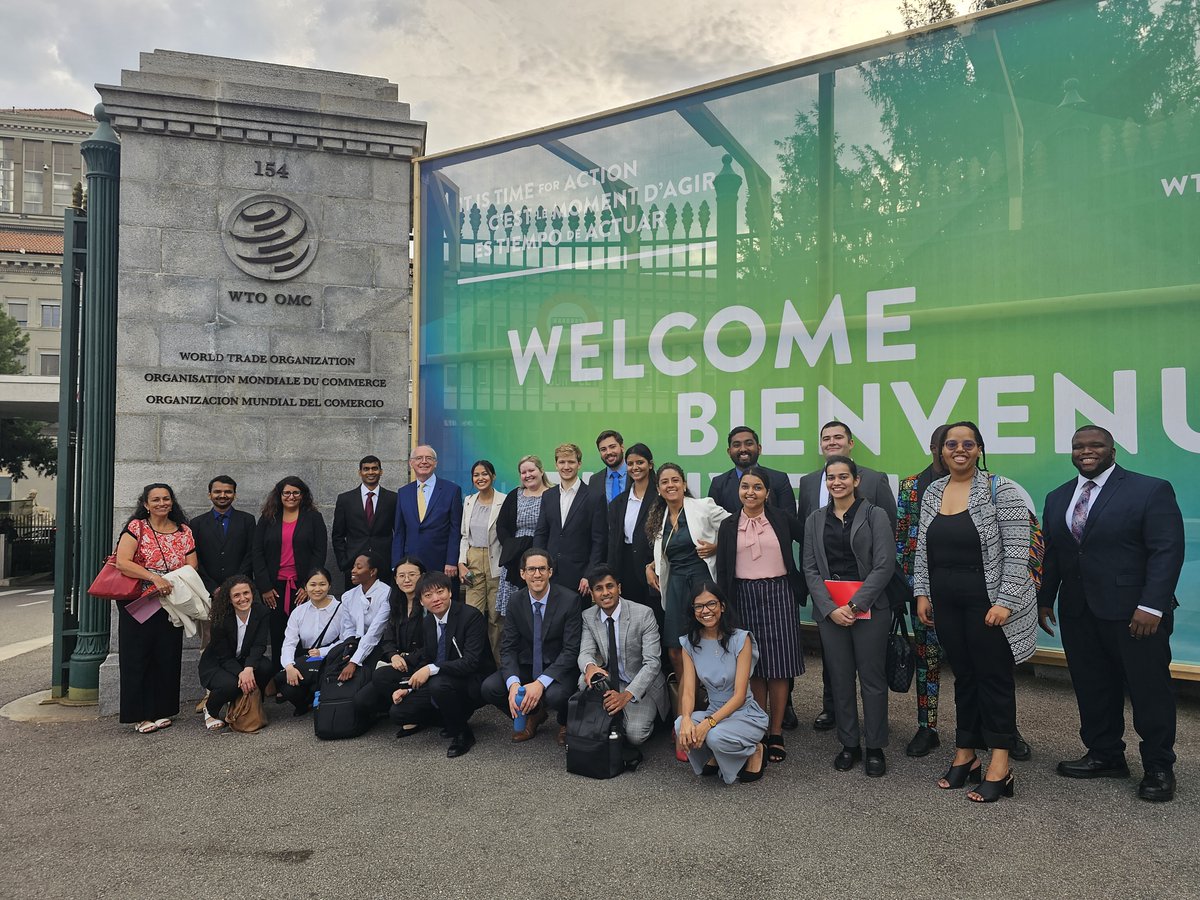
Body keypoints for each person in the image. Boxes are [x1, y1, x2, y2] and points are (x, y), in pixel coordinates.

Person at [1038, 425, 1185, 803]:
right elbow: (1054, 553)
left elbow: (1166, 551)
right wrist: (1043, 600)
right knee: (1092, 686)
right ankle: (1105, 755)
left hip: (1135, 614)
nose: (1086, 452)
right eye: (1078, 447)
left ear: (1112, 449)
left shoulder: (1150, 489)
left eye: (1095, 445)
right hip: (1079, 611)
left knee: (1148, 690)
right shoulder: (1058, 498)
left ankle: (1158, 766)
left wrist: (1152, 604)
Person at [913, 421, 1037, 803]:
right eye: (952, 444)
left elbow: (1020, 553)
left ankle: (1001, 762)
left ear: (980, 449)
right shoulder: (934, 490)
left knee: (994, 679)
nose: (959, 449)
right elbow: (922, 550)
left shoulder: (1003, 490)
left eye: (968, 443)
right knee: (964, 678)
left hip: (990, 605)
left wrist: (1005, 602)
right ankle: (966, 755)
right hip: (947, 604)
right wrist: (921, 593)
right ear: (941, 450)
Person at [799, 420, 897, 732]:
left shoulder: (874, 508)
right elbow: (810, 564)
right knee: (839, 677)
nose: (837, 482)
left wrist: (856, 606)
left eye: (843, 477)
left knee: (871, 677)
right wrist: (830, 608)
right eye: (832, 478)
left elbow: (884, 562)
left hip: (869, 606)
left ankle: (875, 746)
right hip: (831, 610)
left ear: (856, 480)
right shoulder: (815, 514)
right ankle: (849, 742)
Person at [715, 466, 805, 764]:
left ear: (767, 493)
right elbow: (725, 568)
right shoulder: (728, 525)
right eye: (745, 487)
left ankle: (776, 733)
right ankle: (759, 727)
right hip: (743, 596)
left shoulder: (780, 518)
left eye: (756, 487)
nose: (750, 492)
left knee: (779, 667)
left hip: (779, 593)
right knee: (752, 666)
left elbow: (809, 539)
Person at [113, 483, 198, 734]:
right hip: (139, 600)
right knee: (137, 656)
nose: (162, 503)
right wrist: (154, 578)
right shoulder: (136, 528)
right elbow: (122, 562)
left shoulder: (184, 531)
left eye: (166, 499)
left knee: (167, 654)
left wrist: (170, 580)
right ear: (145, 504)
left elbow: (192, 564)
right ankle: (140, 714)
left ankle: (163, 709)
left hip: (170, 599)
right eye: (156, 499)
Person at [386, 571, 495, 757]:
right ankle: (450, 718)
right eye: (428, 596)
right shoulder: (428, 622)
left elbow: (471, 663)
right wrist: (410, 688)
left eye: (440, 592)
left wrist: (429, 669)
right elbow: (429, 657)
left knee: (438, 684)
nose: (436, 599)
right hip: (445, 678)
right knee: (399, 712)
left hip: (473, 680)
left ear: (450, 592)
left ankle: (462, 733)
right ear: (421, 601)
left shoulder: (471, 616)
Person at [481, 548, 582, 745]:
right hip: (528, 664)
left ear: (550, 572)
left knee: (556, 695)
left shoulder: (570, 600)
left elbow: (571, 651)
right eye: (531, 569)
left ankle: (564, 722)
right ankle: (533, 714)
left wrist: (540, 683)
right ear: (522, 573)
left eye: (542, 569)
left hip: (558, 668)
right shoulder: (515, 600)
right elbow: (508, 647)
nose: (537, 574)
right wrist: (513, 684)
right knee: (490, 688)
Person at [675, 582, 768, 784]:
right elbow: (689, 692)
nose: (705, 611)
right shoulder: (689, 643)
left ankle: (755, 749)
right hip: (714, 710)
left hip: (744, 713)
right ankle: (720, 754)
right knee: (680, 724)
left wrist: (708, 724)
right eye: (698, 606)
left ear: (722, 606)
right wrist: (687, 719)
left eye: (711, 604)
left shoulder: (740, 639)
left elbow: (739, 696)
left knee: (715, 736)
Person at [645, 463, 731, 679]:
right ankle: (689, 701)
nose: (670, 485)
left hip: (702, 582)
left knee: (709, 641)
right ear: (658, 488)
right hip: (675, 585)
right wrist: (651, 565)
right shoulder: (659, 517)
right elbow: (664, 552)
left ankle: (716, 697)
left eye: (675, 480)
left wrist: (717, 547)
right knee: (675, 648)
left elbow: (735, 526)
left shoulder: (703, 506)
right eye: (664, 482)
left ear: (684, 484)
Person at [895, 425, 950, 758]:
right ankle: (927, 728)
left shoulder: (987, 485)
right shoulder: (911, 486)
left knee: (985, 665)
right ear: (932, 447)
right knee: (927, 664)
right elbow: (902, 539)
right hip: (925, 593)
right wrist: (914, 591)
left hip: (972, 592)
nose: (952, 451)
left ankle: (998, 729)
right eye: (945, 444)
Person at [577, 564, 670, 748]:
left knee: (635, 736)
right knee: (584, 679)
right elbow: (585, 652)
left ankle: (644, 717)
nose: (605, 593)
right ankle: (606, 718)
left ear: (619, 588)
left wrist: (625, 695)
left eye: (610, 586)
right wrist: (590, 667)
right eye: (598, 589)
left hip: (640, 684)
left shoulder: (643, 614)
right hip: (612, 678)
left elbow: (652, 663)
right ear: (593, 595)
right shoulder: (588, 616)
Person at [252, 476, 328, 678]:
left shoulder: (313, 517)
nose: (291, 497)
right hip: (274, 588)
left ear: (302, 495)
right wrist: (265, 587)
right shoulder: (268, 518)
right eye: (286, 493)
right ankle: (280, 678)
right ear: (279, 495)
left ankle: (303, 676)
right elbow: (257, 553)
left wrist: (308, 586)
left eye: (296, 493)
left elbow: (319, 552)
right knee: (278, 634)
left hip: (303, 587)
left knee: (304, 633)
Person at [353, 556, 427, 721]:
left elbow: (433, 644)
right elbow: (387, 638)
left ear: (422, 576)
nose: (406, 579)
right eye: (401, 576)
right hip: (397, 664)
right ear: (395, 579)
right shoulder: (395, 603)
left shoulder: (428, 603)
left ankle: (414, 711)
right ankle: (402, 704)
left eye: (412, 575)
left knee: (381, 677)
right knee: (361, 701)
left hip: (421, 665)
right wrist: (393, 655)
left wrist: (407, 659)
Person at [197, 574, 273, 731]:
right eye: (236, 595)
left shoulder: (261, 612)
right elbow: (224, 657)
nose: (242, 598)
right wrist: (242, 673)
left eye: (246, 593)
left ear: (252, 593)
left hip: (243, 660)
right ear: (229, 599)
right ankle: (210, 709)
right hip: (217, 663)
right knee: (230, 685)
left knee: (266, 667)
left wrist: (248, 668)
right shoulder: (221, 618)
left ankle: (252, 705)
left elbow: (259, 645)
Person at [496, 455, 552, 661]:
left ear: (541, 470)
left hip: (542, 560)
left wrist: (538, 552)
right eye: (523, 472)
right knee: (515, 617)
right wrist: (514, 548)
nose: (528, 475)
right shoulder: (515, 495)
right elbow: (501, 526)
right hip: (515, 561)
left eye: (531, 470)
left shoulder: (553, 494)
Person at [533, 443, 607, 594]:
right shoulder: (548, 496)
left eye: (571, 462)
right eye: (562, 462)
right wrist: (539, 568)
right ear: (556, 465)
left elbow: (599, 541)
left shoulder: (594, 497)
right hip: (550, 575)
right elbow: (541, 534)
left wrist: (589, 574)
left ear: (579, 464)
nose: (566, 467)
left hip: (579, 579)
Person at [277, 567, 350, 715]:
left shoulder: (341, 609)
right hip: (307, 661)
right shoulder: (298, 612)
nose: (317, 589)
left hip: (331, 658)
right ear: (305, 587)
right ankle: (305, 704)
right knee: (283, 682)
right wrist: (289, 667)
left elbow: (345, 639)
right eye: (313, 584)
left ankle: (323, 700)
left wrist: (322, 651)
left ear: (329, 585)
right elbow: (289, 642)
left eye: (322, 584)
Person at [391, 444, 462, 579]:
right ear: (411, 463)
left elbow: (455, 529)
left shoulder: (451, 490)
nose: (424, 461)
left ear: (435, 463)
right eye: (419, 458)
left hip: (442, 563)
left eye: (429, 458)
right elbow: (399, 532)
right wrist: (396, 564)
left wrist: (452, 561)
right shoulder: (403, 492)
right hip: (411, 564)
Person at [606, 443, 660, 619]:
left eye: (640, 462)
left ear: (650, 464)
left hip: (654, 568)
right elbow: (613, 544)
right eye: (630, 464)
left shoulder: (661, 498)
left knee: (655, 619)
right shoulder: (618, 503)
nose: (635, 467)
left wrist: (654, 565)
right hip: (626, 569)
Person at [459, 459, 506, 654]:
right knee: (472, 614)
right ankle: (471, 663)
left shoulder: (504, 500)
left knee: (496, 618)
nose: (481, 478)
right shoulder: (469, 501)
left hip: (496, 561)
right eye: (476, 475)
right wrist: (461, 563)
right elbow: (464, 536)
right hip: (473, 561)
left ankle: (501, 667)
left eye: (485, 474)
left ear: (493, 476)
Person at [332, 455, 397, 592]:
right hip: (354, 565)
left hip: (384, 564)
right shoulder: (345, 499)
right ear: (360, 472)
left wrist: (395, 562)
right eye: (366, 469)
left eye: (374, 468)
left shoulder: (393, 499)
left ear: (381, 471)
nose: (371, 472)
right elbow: (337, 535)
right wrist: (344, 562)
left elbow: (399, 532)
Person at [707, 425, 797, 516]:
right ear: (729, 452)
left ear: (759, 449)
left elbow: (789, 521)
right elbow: (712, 522)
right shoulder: (718, 484)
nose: (743, 449)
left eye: (749, 444)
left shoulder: (779, 479)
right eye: (737, 445)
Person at [190, 475, 256, 597]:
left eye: (228, 492)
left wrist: (235, 584)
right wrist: (212, 587)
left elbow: (251, 554)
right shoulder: (196, 523)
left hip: (241, 588)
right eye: (217, 492)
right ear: (209, 494)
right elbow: (195, 558)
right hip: (207, 590)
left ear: (235, 495)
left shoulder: (247, 520)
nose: (222, 495)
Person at [336, 553, 392, 683]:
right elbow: (348, 628)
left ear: (372, 571)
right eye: (354, 566)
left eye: (359, 567)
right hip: (354, 644)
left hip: (380, 645)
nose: (353, 570)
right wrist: (350, 649)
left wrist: (354, 661)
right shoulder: (348, 596)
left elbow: (375, 631)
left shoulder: (386, 594)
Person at [587, 429, 627, 503]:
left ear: (622, 447)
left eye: (612, 447)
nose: (608, 452)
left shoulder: (636, 474)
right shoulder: (594, 480)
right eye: (603, 449)